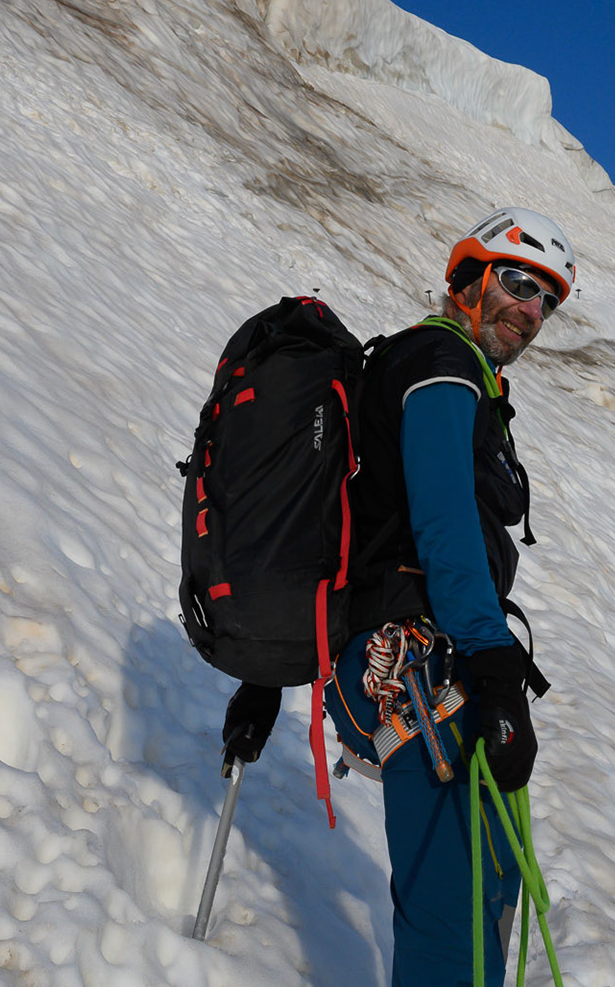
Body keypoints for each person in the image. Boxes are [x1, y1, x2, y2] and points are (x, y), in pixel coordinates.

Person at [220, 207, 573, 987]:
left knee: (484, 884)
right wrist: (493, 664)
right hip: (418, 666)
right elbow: (444, 524)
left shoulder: (421, 366)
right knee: (460, 908)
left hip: (397, 662)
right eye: (518, 283)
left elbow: (342, 527)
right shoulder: (441, 365)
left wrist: (266, 674)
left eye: (548, 300)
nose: (531, 311)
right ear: (468, 280)